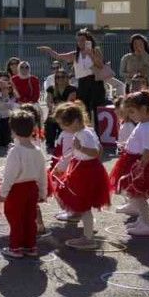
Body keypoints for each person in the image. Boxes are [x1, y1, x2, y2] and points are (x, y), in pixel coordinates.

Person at [52, 102, 109, 242]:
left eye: (64, 124)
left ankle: (88, 238)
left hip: (86, 172)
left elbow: (95, 152)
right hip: (83, 169)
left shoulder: (84, 134)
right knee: (82, 204)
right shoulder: (83, 131)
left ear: (76, 121)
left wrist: (80, 148)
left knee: (84, 205)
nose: (63, 128)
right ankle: (86, 234)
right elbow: (96, 149)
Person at [110, 91, 149, 238]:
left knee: (139, 195)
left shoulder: (148, 127)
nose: (130, 115)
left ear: (144, 109)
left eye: (132, 111)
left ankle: (147, 225)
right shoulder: (142, 124)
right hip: (133, 161)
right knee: (135, 194)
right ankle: (142, 220)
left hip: (139, 164)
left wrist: (140, 166)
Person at [0, 111, 48, 257]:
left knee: (15, 219)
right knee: (29, 218)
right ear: (33, 129)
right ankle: (30, 246)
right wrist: (43, 193)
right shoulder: (38, 151)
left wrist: (2, 193)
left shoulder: (15, 151)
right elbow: (42, 174)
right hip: (32, 188)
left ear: (13, 131)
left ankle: (15, 247)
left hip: (16, 190)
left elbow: (9, 175)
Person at [39, 30, 109, 127]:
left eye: (83, 40)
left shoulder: (95, 51)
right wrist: (49, 50)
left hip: (95, 82)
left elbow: (100, 65)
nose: (80, 42)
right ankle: (86, 130)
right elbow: (59, 56)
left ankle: (98, 132)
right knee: (84, 109)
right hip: (83, 83)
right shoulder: (75, 54)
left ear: (89, 41)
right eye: (78, 40)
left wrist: (90, 54)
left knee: (97, 109)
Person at [44, 70, 77, 151]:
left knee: (63, 120)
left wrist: (58, 108)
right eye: (58, 77)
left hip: (67, 113)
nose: (60, 79)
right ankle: (50, 144)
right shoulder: (51, 89)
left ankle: (64, 143)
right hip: (54, 112)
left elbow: (69, 103)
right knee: (50, 122)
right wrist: (53, 107)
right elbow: (49, 102)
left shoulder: (72, 89)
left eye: (62, 77)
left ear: (67, 78)